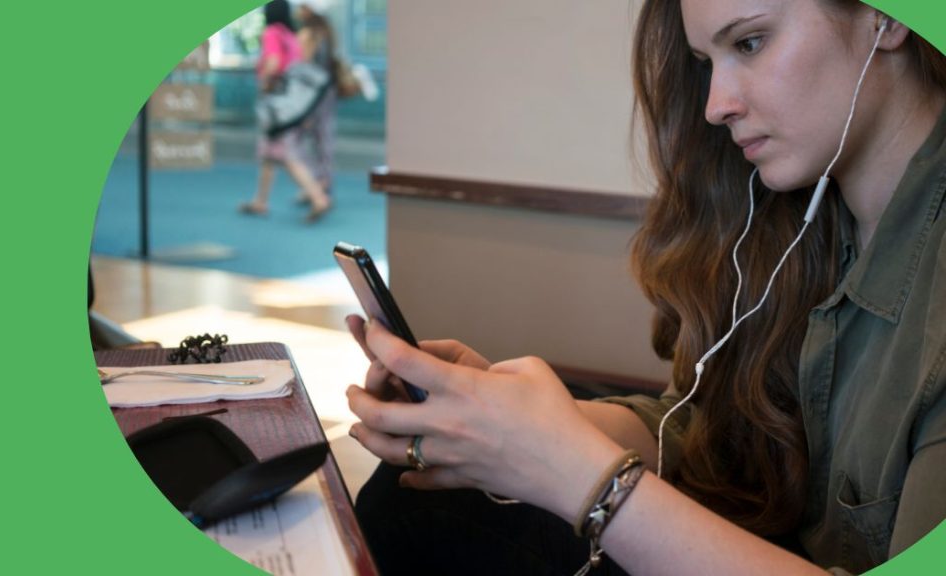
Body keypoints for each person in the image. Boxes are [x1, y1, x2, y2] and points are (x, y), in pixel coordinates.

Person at [343, 1, 946, 575]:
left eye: (751, 42)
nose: (715, 105)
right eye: (708, 62)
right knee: (414, 501)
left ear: (885, 19)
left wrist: (585, 477)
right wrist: (514, 429)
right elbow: (698, 424)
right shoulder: (799, 227)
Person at [239, 0, 331, 222]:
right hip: (291, 105)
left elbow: (272, 62)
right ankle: (261, 200)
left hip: (276, 105)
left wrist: (264, 83)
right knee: (270, 154)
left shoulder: (272, 33)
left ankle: (317, 197)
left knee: (285, 156)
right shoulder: (291, 35)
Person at [295, 2, 339, 199]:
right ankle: (321, 181)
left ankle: (317, 182)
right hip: (325, 91)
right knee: (322, 136)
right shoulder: (327, 33)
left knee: (308, 136)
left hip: (314, 93)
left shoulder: (311, 35)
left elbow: (305, 64)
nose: (298, 12)